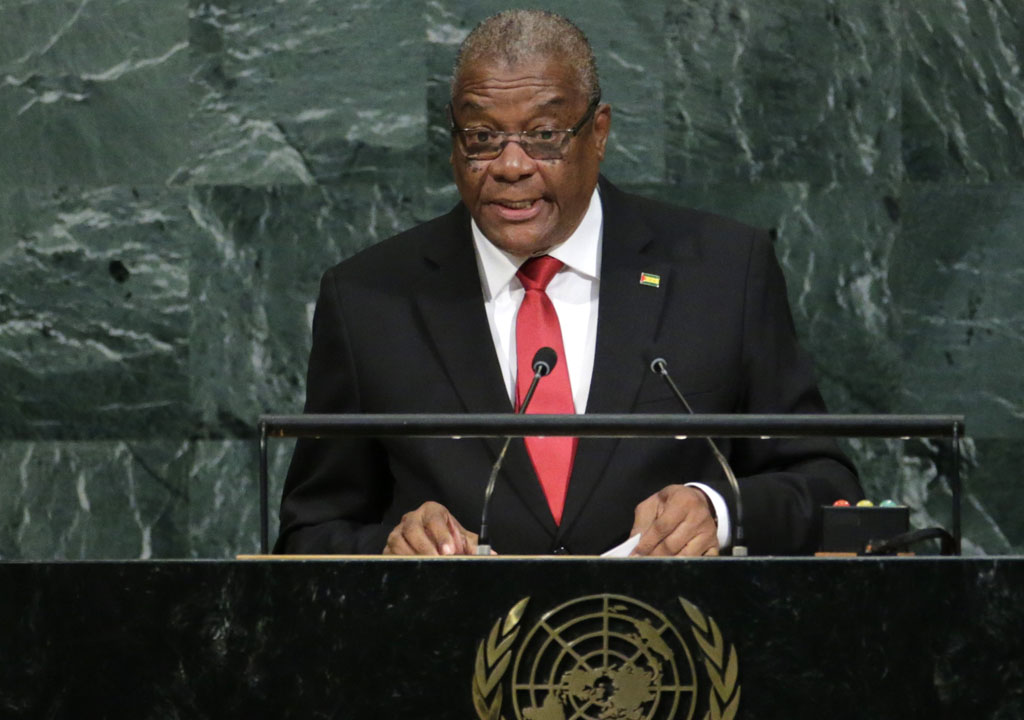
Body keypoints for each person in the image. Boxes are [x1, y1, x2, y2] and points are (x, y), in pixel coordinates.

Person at [275, 10, 862, 557]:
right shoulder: (370, 301)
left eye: (544, 135)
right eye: (481, 137)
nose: (510, 166)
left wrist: (719, 510)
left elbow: (827, 488)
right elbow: (309, 533)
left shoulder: (723, 273)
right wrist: (390, 547)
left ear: (598, 132)